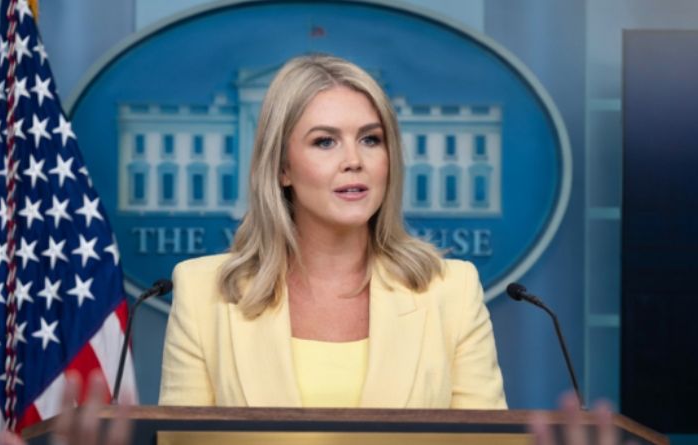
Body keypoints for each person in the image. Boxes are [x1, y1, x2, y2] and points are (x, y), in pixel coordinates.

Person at [158, 54, 506, 409]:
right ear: (282, 168)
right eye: (325, 141)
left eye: (370, 139)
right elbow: (181, 435)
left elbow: (484, 435)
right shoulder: (202, 293)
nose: (354, 161)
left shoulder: (452, 291)